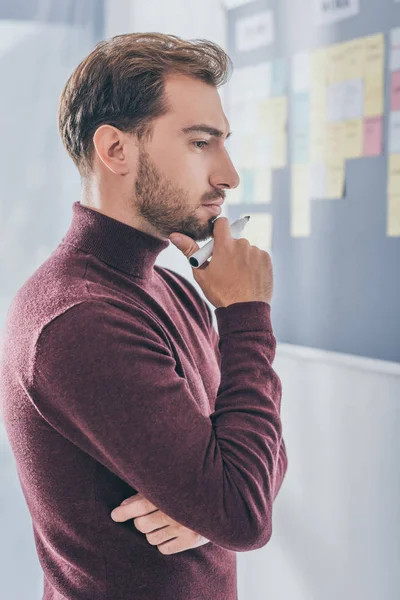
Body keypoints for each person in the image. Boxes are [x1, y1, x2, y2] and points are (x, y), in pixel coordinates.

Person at [0, 32, 288, 600]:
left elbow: (254, 454)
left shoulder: (173, 291)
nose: (229, 175)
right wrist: (248, 313)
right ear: (115, 151)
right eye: (202, 142)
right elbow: (244, 511)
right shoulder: (80, 318)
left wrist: (206, 502)